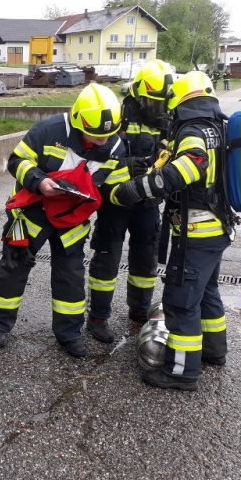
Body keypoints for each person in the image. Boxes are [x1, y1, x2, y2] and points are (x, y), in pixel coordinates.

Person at [0, 83, 126, 357]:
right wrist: (39, 181)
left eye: (108, 135)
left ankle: (69, 334)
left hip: (71, 219)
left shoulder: (115, 146)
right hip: (32, 213)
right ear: (79, 121)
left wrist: (135, 190)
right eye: (96, 135)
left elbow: (114, 187)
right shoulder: (49, 130)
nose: (103, 141)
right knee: (13, 269)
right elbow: (17, 161)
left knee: (70, 276)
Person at [113, 71, 230, 391]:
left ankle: (181, 372)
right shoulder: (215, 127)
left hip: (196, 231)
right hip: (215, 229)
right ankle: (214, 350)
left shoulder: (192, 130)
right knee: (207, 293)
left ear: (180, 101)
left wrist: (138, 188)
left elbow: (192, 165)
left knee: (181, 302)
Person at [86, 60, 173, 343]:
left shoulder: (167, 121)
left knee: (145, 258)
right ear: (137, 93)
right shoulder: (117, 116)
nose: (156, 108)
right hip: (115, 200)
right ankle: (98, 317)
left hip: (148, 201)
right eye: (152, 101)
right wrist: (128, 167)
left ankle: (139, 308)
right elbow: (98, 158)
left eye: (161, 102)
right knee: (107, 258)